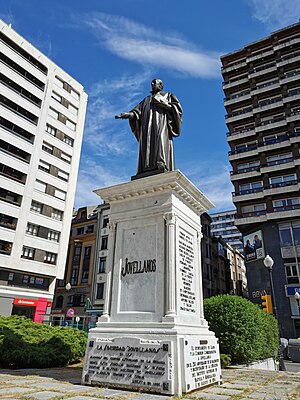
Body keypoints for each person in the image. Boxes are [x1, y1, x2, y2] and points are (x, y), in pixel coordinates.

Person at [115, 79, 183, 176]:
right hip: (147, 128)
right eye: (152, 82)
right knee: (147, 145)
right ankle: (145, 168)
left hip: (161, 124)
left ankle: (162, 163)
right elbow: (136, 112)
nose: (152, 84)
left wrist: (164, 105)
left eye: (155, 82)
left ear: (160, 85)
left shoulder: (168, 95)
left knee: (160, 141)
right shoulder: (146, 100)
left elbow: (177, 110)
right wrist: (127, 115)